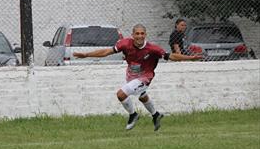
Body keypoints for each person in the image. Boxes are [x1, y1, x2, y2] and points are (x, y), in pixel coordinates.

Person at [73, 24, 202, 131]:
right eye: (137, 33)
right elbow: (106, 52)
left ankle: (133, 115)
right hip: (131, 75)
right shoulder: (124, 44)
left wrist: (190, 58)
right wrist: (86, 54)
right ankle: (156, 115)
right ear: (133, 35)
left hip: (145, 77)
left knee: (121, 94)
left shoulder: (153, 49)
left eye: (142, 33)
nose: (140, 36)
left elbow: (172, 56)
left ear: (145, 35)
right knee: (142, 96)